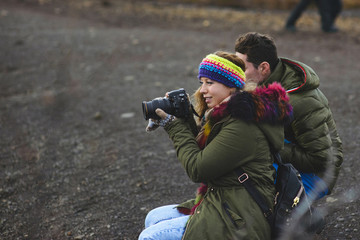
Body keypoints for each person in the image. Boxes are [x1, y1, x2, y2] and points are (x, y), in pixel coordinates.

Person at [138, 51, 293, 240]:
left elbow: (198, 169)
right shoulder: (226, 114)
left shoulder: (242, 125)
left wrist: (173, 126)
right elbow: (210, 152)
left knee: (152, 236)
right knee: (153, 216)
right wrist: (186, 117)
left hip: (243, 216)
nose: (202, 90)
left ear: (231, 86)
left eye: (209, 83)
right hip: (224, 199)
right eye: (201, 82)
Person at [234, 32, 343, 201]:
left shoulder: (301, 101)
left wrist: (267, 146)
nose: (237, 74)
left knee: (256, 204)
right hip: (290, 160)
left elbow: (322, 159)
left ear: (263, 67)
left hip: (317, 177)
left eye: (242, 68)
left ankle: (299, 211)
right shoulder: (261, 84)